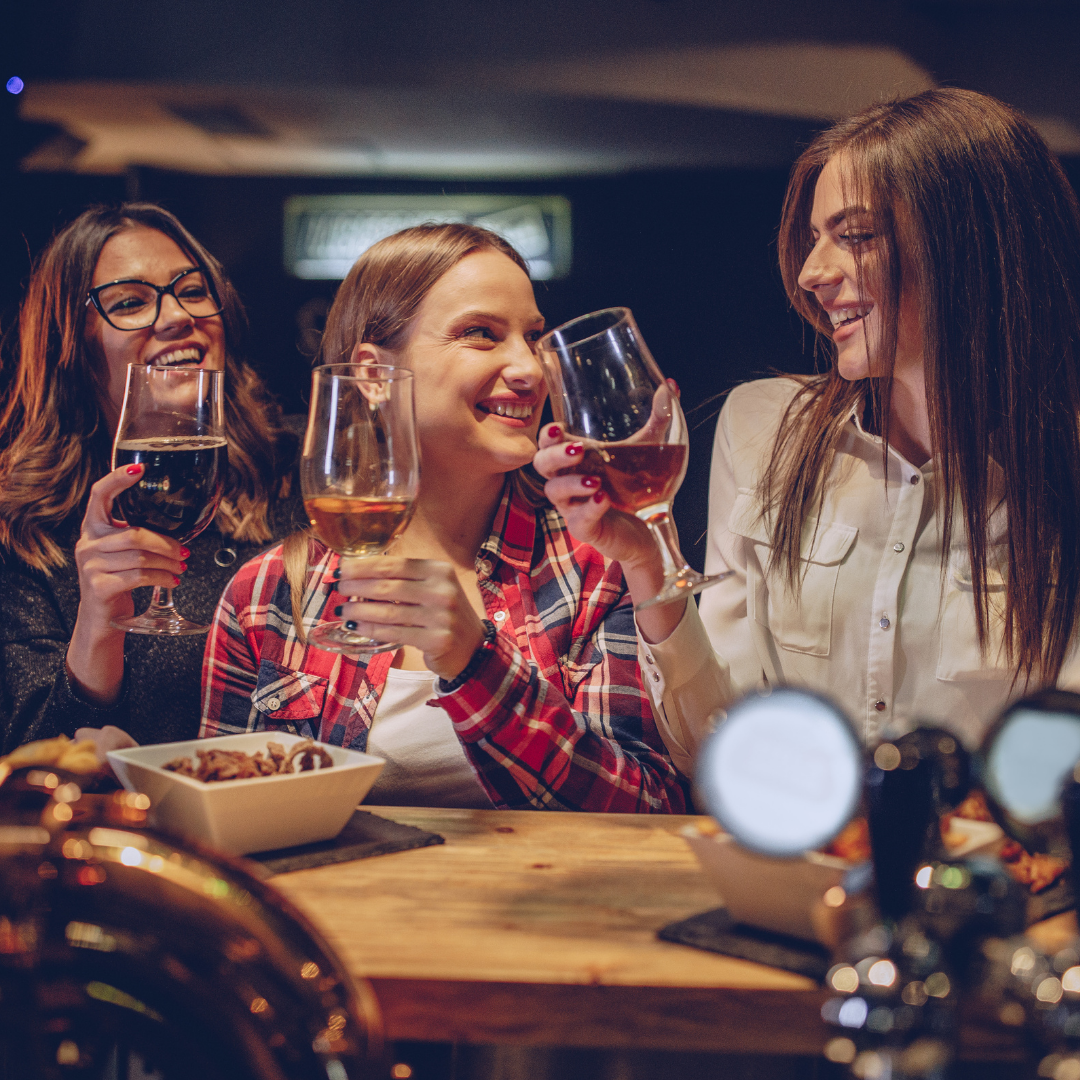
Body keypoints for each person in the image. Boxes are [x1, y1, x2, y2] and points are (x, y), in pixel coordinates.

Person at [537, 87, 1080, 775]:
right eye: (815, 239)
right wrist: (646, 563)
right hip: (797, 873)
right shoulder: (763, 429)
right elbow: (716, 752)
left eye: (854, 237)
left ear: (971, 245)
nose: (810, 273)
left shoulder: (1059, 471)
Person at [201, 223, 685, 812]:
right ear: (373, 377)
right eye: (481, 334)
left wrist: (476, 661)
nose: (530, 369)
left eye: (532, 337)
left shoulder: (598, 568)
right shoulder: (268, 592)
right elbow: (228, 819)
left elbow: (651, 809)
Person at [0, 204, 304, 752]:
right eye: (130, 302)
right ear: (72, 345)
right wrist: (98, 627)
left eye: (191, 290)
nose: (175, 316)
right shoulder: (26, 527)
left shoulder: (300, 474)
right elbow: (35, 766)